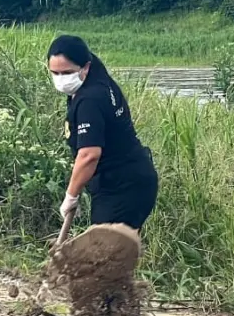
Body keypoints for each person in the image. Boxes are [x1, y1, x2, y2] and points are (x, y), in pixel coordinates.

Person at [47, 35, 159, 232]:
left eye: (67, 72)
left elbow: (89, 155)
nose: (61, 79)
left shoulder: (90, 99)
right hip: (130, 180)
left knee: (103, 256)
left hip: (122, 187)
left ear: (86, 67)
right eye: (54, 73)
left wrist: (71, 196)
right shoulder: (96, 75)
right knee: (112, 254)